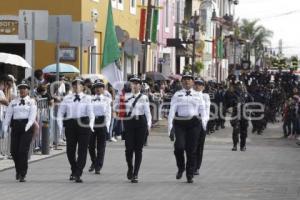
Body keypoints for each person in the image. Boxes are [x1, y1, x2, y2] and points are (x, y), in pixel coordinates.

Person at [168, 72, 206, 183]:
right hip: (180, 123)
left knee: (191, 150)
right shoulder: (177, 94)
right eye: (185, 79)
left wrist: (204, 124)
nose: (187, 81)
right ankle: (181, 167)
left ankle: (190, 174)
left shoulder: (198, 95)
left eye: (189, 79)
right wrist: (170, 127)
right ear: (181, 82)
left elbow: (202, 110)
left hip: (194, 124)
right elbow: (172, 111)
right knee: (179, 147)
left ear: (192, 82)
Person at [57, 78, 95, 183]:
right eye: (74, 85)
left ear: (83, 87)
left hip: (84, 123)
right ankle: (74, 169)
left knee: (82, 150)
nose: (76, 87)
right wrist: (60, 126)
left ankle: (78, 173)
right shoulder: (67, 98)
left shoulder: (87, 98)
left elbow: (91, 113)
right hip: (71, 124)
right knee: (70, 150)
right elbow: (60, 113)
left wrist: (91, 125)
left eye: (79, 85)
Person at [115, 75, 151, 183]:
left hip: (141, 122)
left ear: (140, 86)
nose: (134, 85)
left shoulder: (144, 97)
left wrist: (148, 125)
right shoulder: (124, 96)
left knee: (138, 149)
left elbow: (147, 112)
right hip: (129, 122)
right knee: (129, 149)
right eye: (132, 83)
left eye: (136, 83)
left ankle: (136, 173)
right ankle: (130, 167)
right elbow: (117, 108)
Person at [2, 81, 37, 182]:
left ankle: (22, 173)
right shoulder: (14, 102)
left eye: (24, 88)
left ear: (28, 90)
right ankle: (18, 170)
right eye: (20, 88)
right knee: (13, 151)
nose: (22, 90)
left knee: (22, 151)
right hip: (16, 126)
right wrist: (5, 126)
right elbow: (8, 115)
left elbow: (32, 115)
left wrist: (29, 125)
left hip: (26, 126)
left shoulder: (31, 102)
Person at [88, 79, 111, 174]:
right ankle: (94, 161)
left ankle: (98, 166)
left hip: (102, 122)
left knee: (101, 146)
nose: (98, 89)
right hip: (92, 122)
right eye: (96, 87)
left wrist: (107, 126)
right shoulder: (89, 99)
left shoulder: (107, 99)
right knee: (91, 146)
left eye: (100, 87)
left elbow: (108, 113)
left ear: (103, 89)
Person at [193, 78, 210, 176]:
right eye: (196, 84)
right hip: (191, 122)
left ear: (203, 87)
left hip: (201, 122)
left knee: (199, 146)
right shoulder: (189, 95)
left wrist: (204, 124)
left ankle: (196, 167)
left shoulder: (205, 96)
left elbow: (207, 111)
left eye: (200, 85)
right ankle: (191, 164)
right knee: (191, 146)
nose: (197, 86)